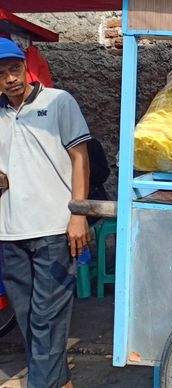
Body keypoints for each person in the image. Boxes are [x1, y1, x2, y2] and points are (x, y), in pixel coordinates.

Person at [0, 37, 91, 388]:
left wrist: (78, 214)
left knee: (46, 322)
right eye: (2, 74)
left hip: (55, 230)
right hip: (9, 233)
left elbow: (79, 157)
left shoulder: (59, 102)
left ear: (26, 67)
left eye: (14, 69)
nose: (10, 79)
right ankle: (60, 382)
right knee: (29, 320)